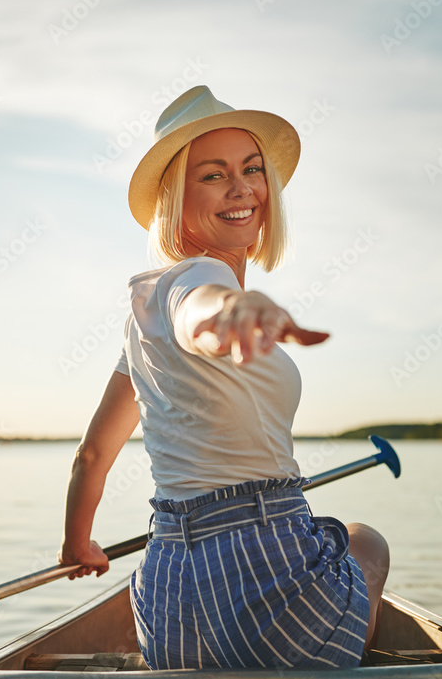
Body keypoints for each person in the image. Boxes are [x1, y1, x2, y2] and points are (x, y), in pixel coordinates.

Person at [58, 86, 389, 669]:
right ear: (175, 198)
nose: (241, 189)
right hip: (268, 581)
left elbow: (91, 455)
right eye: (213, 175)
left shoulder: (142, 319)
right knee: (365, 541)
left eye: (252, 169)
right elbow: (203, 312)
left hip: (167, 603)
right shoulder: (199, 282)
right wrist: (235, 310)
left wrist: (77, 544)